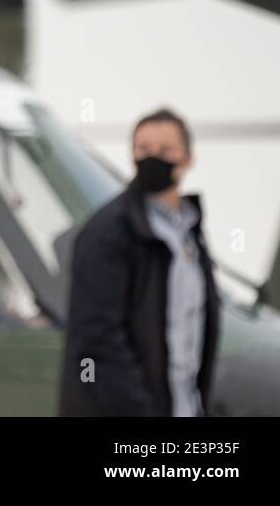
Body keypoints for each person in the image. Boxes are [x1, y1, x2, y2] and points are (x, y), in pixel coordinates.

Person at [59, 107, 221, 416]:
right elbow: (97, 342)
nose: (152, 158)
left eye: (165, 150)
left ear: (188, 159)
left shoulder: (190, 232)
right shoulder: (108, 234)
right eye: (143, 149)